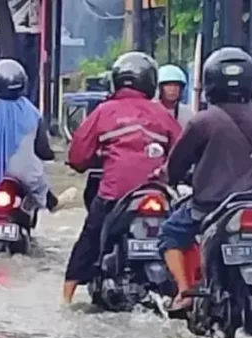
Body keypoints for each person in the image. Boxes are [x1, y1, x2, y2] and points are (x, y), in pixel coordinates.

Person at [63, 52, 182, 304]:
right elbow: (183, 153)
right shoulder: (163, 115)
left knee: (90, 238)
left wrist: (96, 159)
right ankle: (185, 293)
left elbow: (77, 156)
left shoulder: (104, 112)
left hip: (114, 195)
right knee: (181, 237)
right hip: (157, 194)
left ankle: (66, 298)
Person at [158, 47, 252, 310]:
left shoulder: (201, 121)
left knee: (169, 234)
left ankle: (184, 293)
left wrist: (172, 179)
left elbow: (177, 165)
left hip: (210, 205)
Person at [0, 59, 77, 214]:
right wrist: (50, 155)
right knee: (41, 182)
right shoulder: (33, 113)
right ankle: (53, 204)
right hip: (26, 176)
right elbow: (42, 148)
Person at [156, 64, 194, 128]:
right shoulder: (151, 112)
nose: (173, 89)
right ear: (160, 88)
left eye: (176, 85)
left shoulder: (188, 115)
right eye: (168, 85)